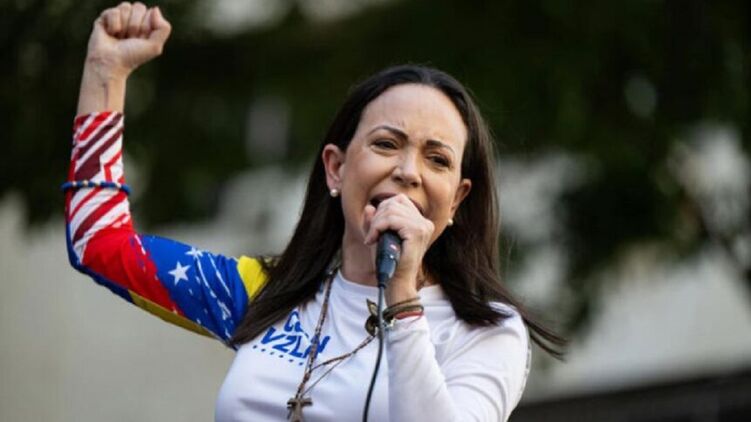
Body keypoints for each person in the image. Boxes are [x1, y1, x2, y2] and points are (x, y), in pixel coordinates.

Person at [65, 2, 563, 421]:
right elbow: (98, 243)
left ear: (456, 200)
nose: (408, 171)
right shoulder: (267, 292)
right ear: (336, 168)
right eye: (386, 144)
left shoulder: (485, 330)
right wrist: (105, 74)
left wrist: (403, 296)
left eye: (437, 159)